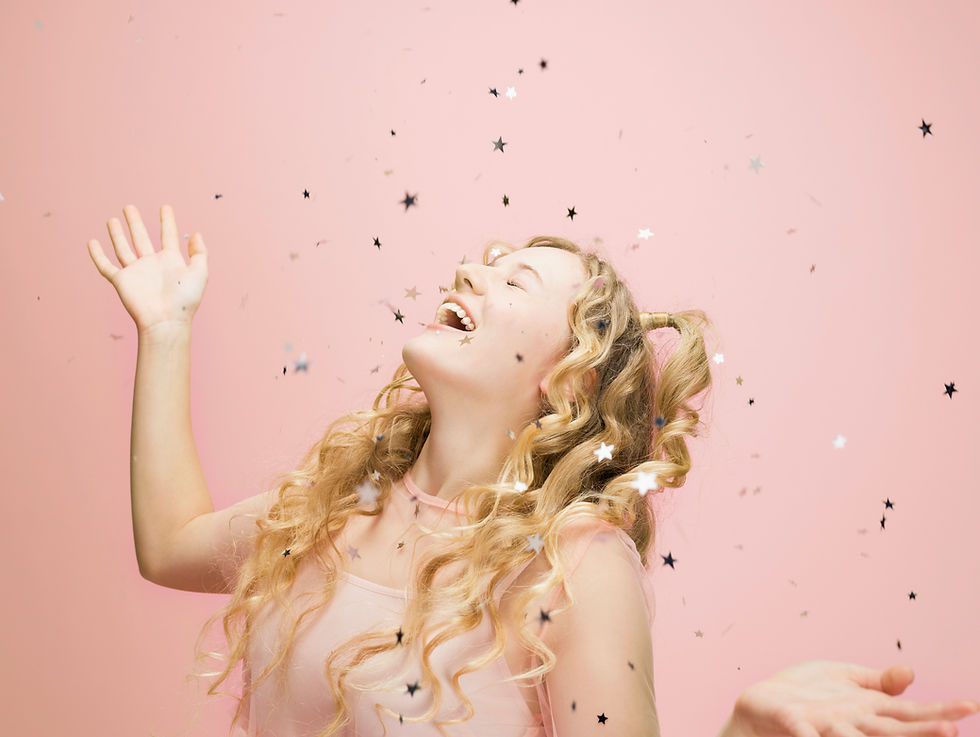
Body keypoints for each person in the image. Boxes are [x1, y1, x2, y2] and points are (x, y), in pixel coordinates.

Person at [88, 204, 979, 737]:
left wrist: (743, 726)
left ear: (562, 383)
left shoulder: (575, 566)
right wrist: (165, 333)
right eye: (484, 262)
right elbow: (170, 546)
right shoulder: (337, 503)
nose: (472, 271)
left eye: (513, 283)